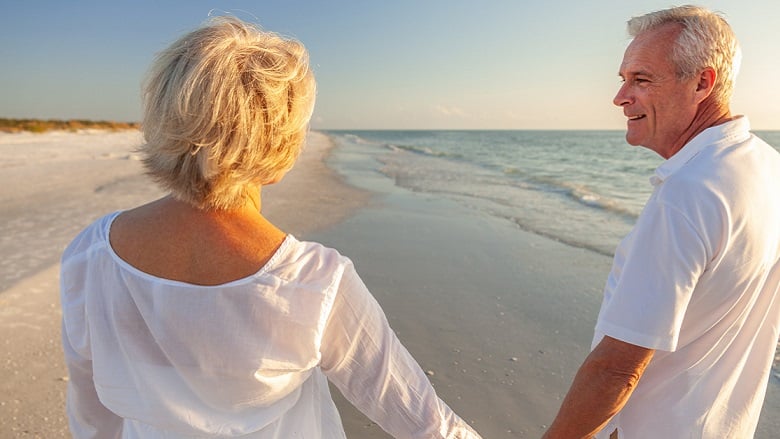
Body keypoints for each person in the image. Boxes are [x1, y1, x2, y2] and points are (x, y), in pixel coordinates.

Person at [60, 17, 481, 439]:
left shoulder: (91, 254)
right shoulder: (314, 281)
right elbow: (423, 421)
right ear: (281, 145)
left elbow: (90, 410)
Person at [543, 5, 780, 439]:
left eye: (642, 80)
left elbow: (616, 368)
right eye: (623, 79)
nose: (620, 97)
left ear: (702, 83)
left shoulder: (689, 192)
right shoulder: (769, 168)